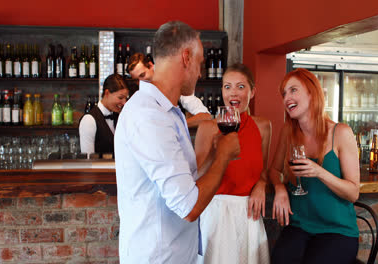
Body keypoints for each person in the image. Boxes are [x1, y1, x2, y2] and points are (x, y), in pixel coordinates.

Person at [114, 21, 240, 264]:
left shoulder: (170, 111)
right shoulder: (149, 116)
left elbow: (187, 184)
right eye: (200, 63)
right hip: (158, 257)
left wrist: (214, 153)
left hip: (176, 253)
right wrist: (224, 156)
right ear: (186, 57)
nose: (201, 73)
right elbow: (189, 207)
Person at [270, 68, 360, 264]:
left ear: (312, 93)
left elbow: (353, 193)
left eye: (293, 90)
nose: (287, 98)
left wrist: (319, 172)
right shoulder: (288, 132)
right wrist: (279, 188)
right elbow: (274, 170)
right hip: (300, 226)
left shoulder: (341, 133)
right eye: (284, 93)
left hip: (337, 231)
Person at [194, 63, 271, 264]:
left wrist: (262, 185)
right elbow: (196, 178)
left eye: (240, 87)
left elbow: (263, 171)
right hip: (216, 214)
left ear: (252, 92)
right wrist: (217, 152)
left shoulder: (263, 126)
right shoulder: (208, 128)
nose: (232, 93)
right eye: (227, 87)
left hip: (249, 215)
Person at [127, 52, 211, 127]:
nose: (141, 82)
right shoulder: (139, 94)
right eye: (136, 80)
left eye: (142, 75)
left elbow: (205, 116)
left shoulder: (174, 81)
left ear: (151, 65)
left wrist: (176, 125)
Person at [79, 73, 129, 155]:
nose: (124, 102)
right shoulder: (89, 120)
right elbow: (88, 160)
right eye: (120, 98)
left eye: (126, 98)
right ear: (107, 93)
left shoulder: (120, 117)